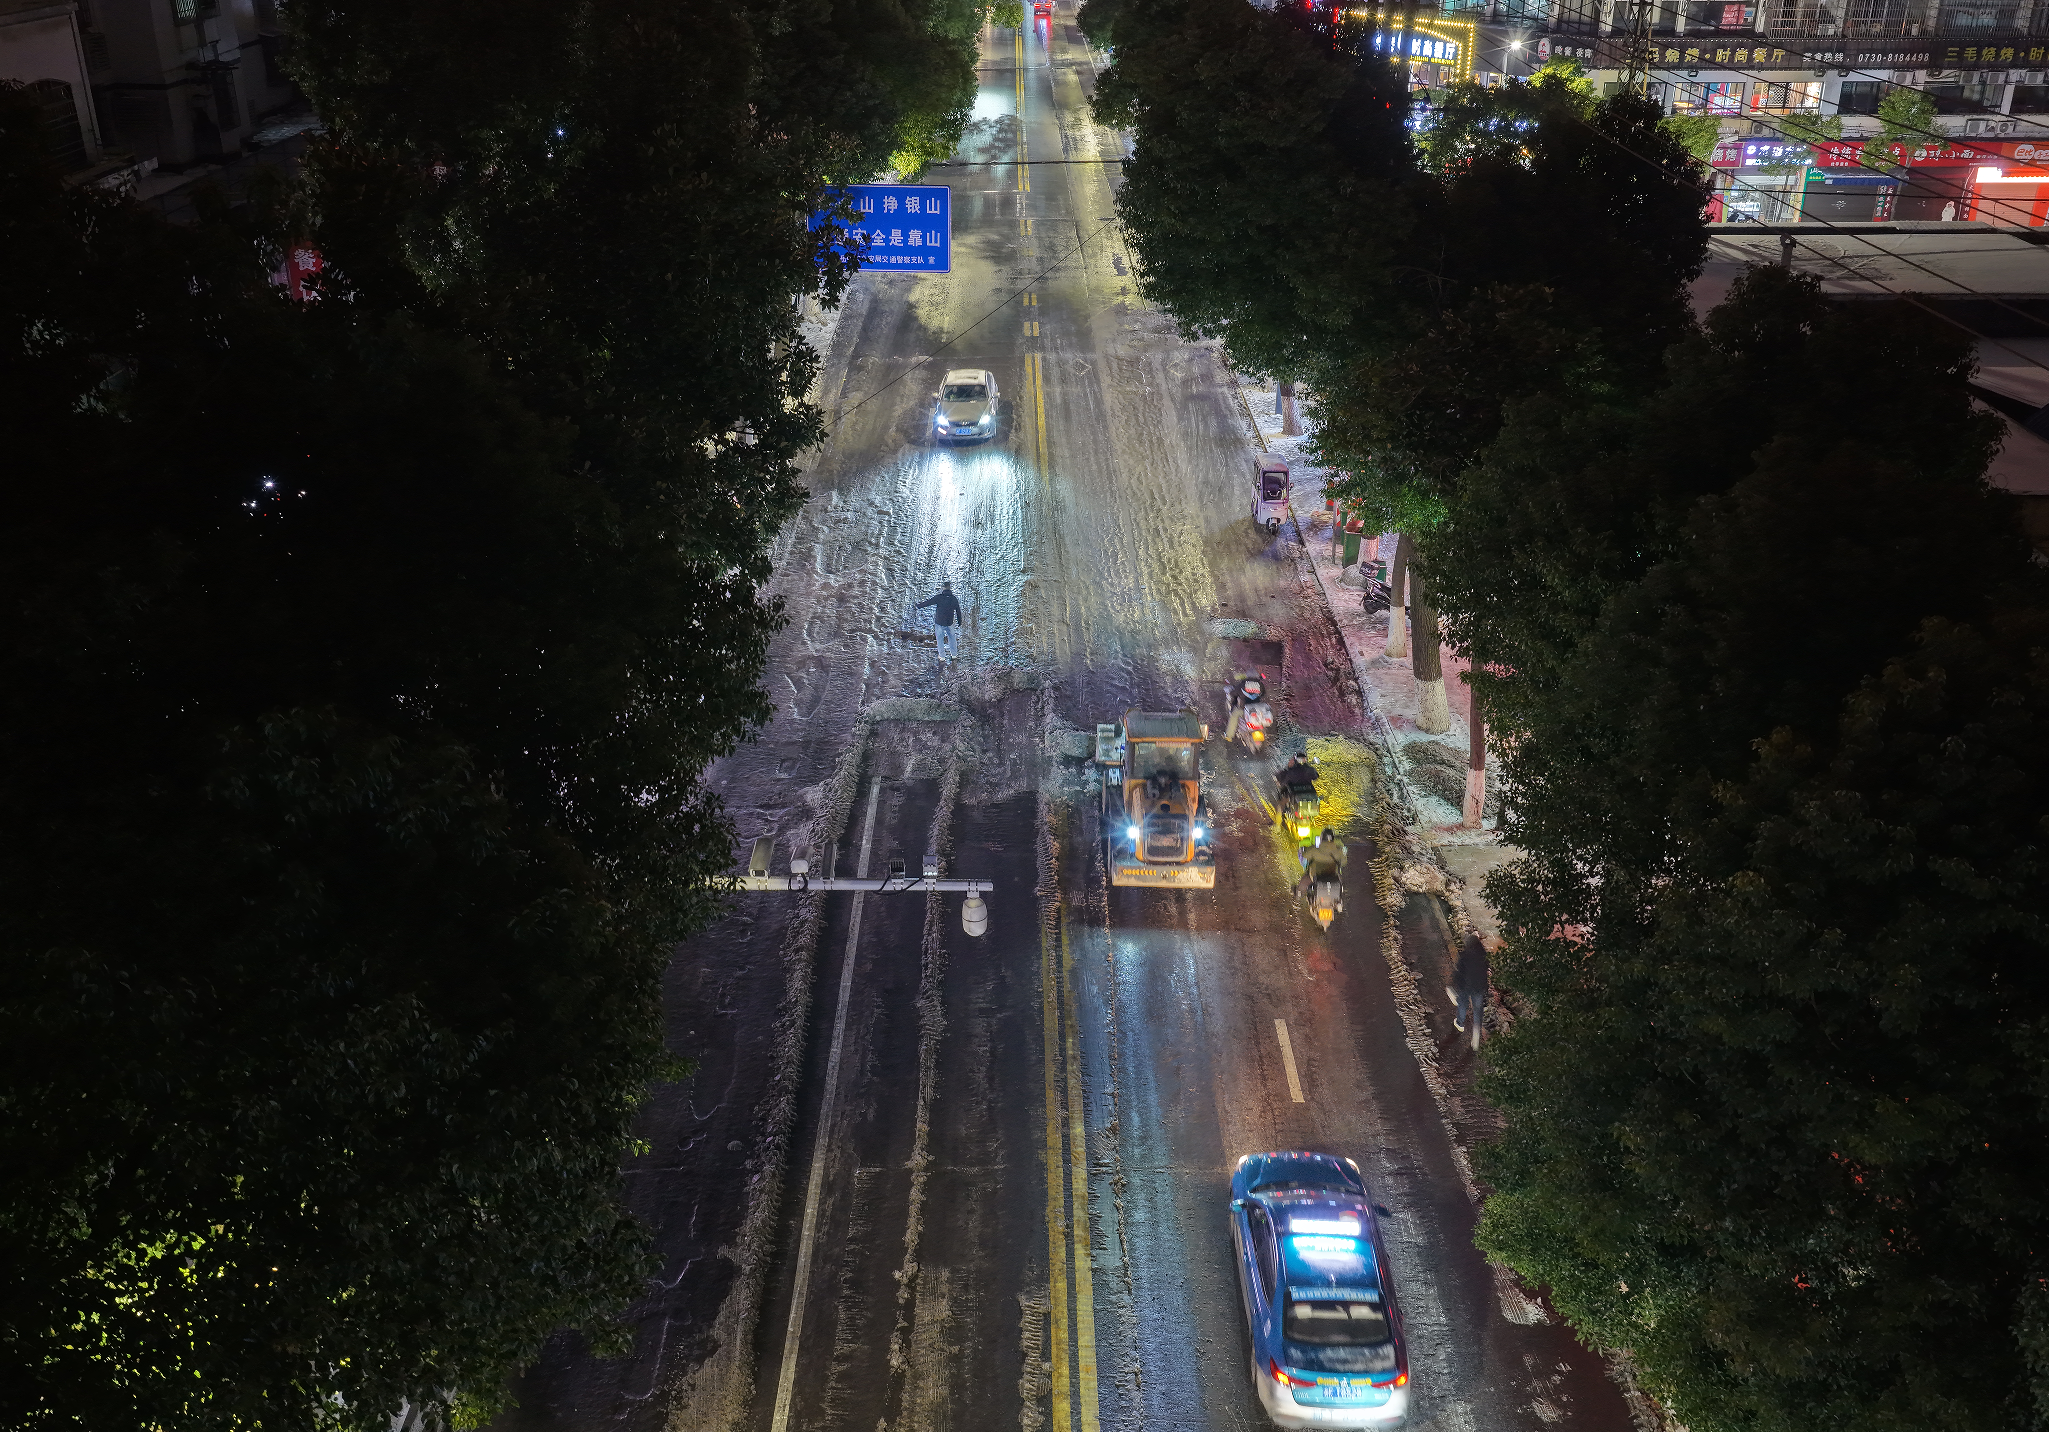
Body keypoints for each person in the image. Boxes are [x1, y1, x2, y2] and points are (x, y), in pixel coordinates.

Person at [1450, 933, 1490, 1041]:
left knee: (1463, 1004)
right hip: (1479, 987)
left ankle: (1460, 1024)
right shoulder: (1483, 956)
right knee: (1477, 1009)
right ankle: (1476, 1033)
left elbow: (1459, 971)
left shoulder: (1465, 955)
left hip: (1466, 986)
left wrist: (1455, 982)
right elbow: (1486, 970)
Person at [915, 580, 962, 662]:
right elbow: (958, 611)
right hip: (949, 622)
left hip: (939, 622)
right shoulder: (954, 599)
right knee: (952, 638)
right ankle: (954, 655)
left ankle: (942, 656)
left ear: (943, 588)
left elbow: (928, 602)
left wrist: (918, 606)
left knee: (940, 639)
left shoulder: (939, 597)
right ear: (950, 588)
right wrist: (959, 621)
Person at [1297, 829, 1345, 899]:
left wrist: (1302, 850)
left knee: (1306, 877)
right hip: (1333, 876)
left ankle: (1299, 893)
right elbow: (1343, 862)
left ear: (1321, 838)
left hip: (1317, 876)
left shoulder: (1314, 850)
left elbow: (1305, 855)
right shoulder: (1339, 851)